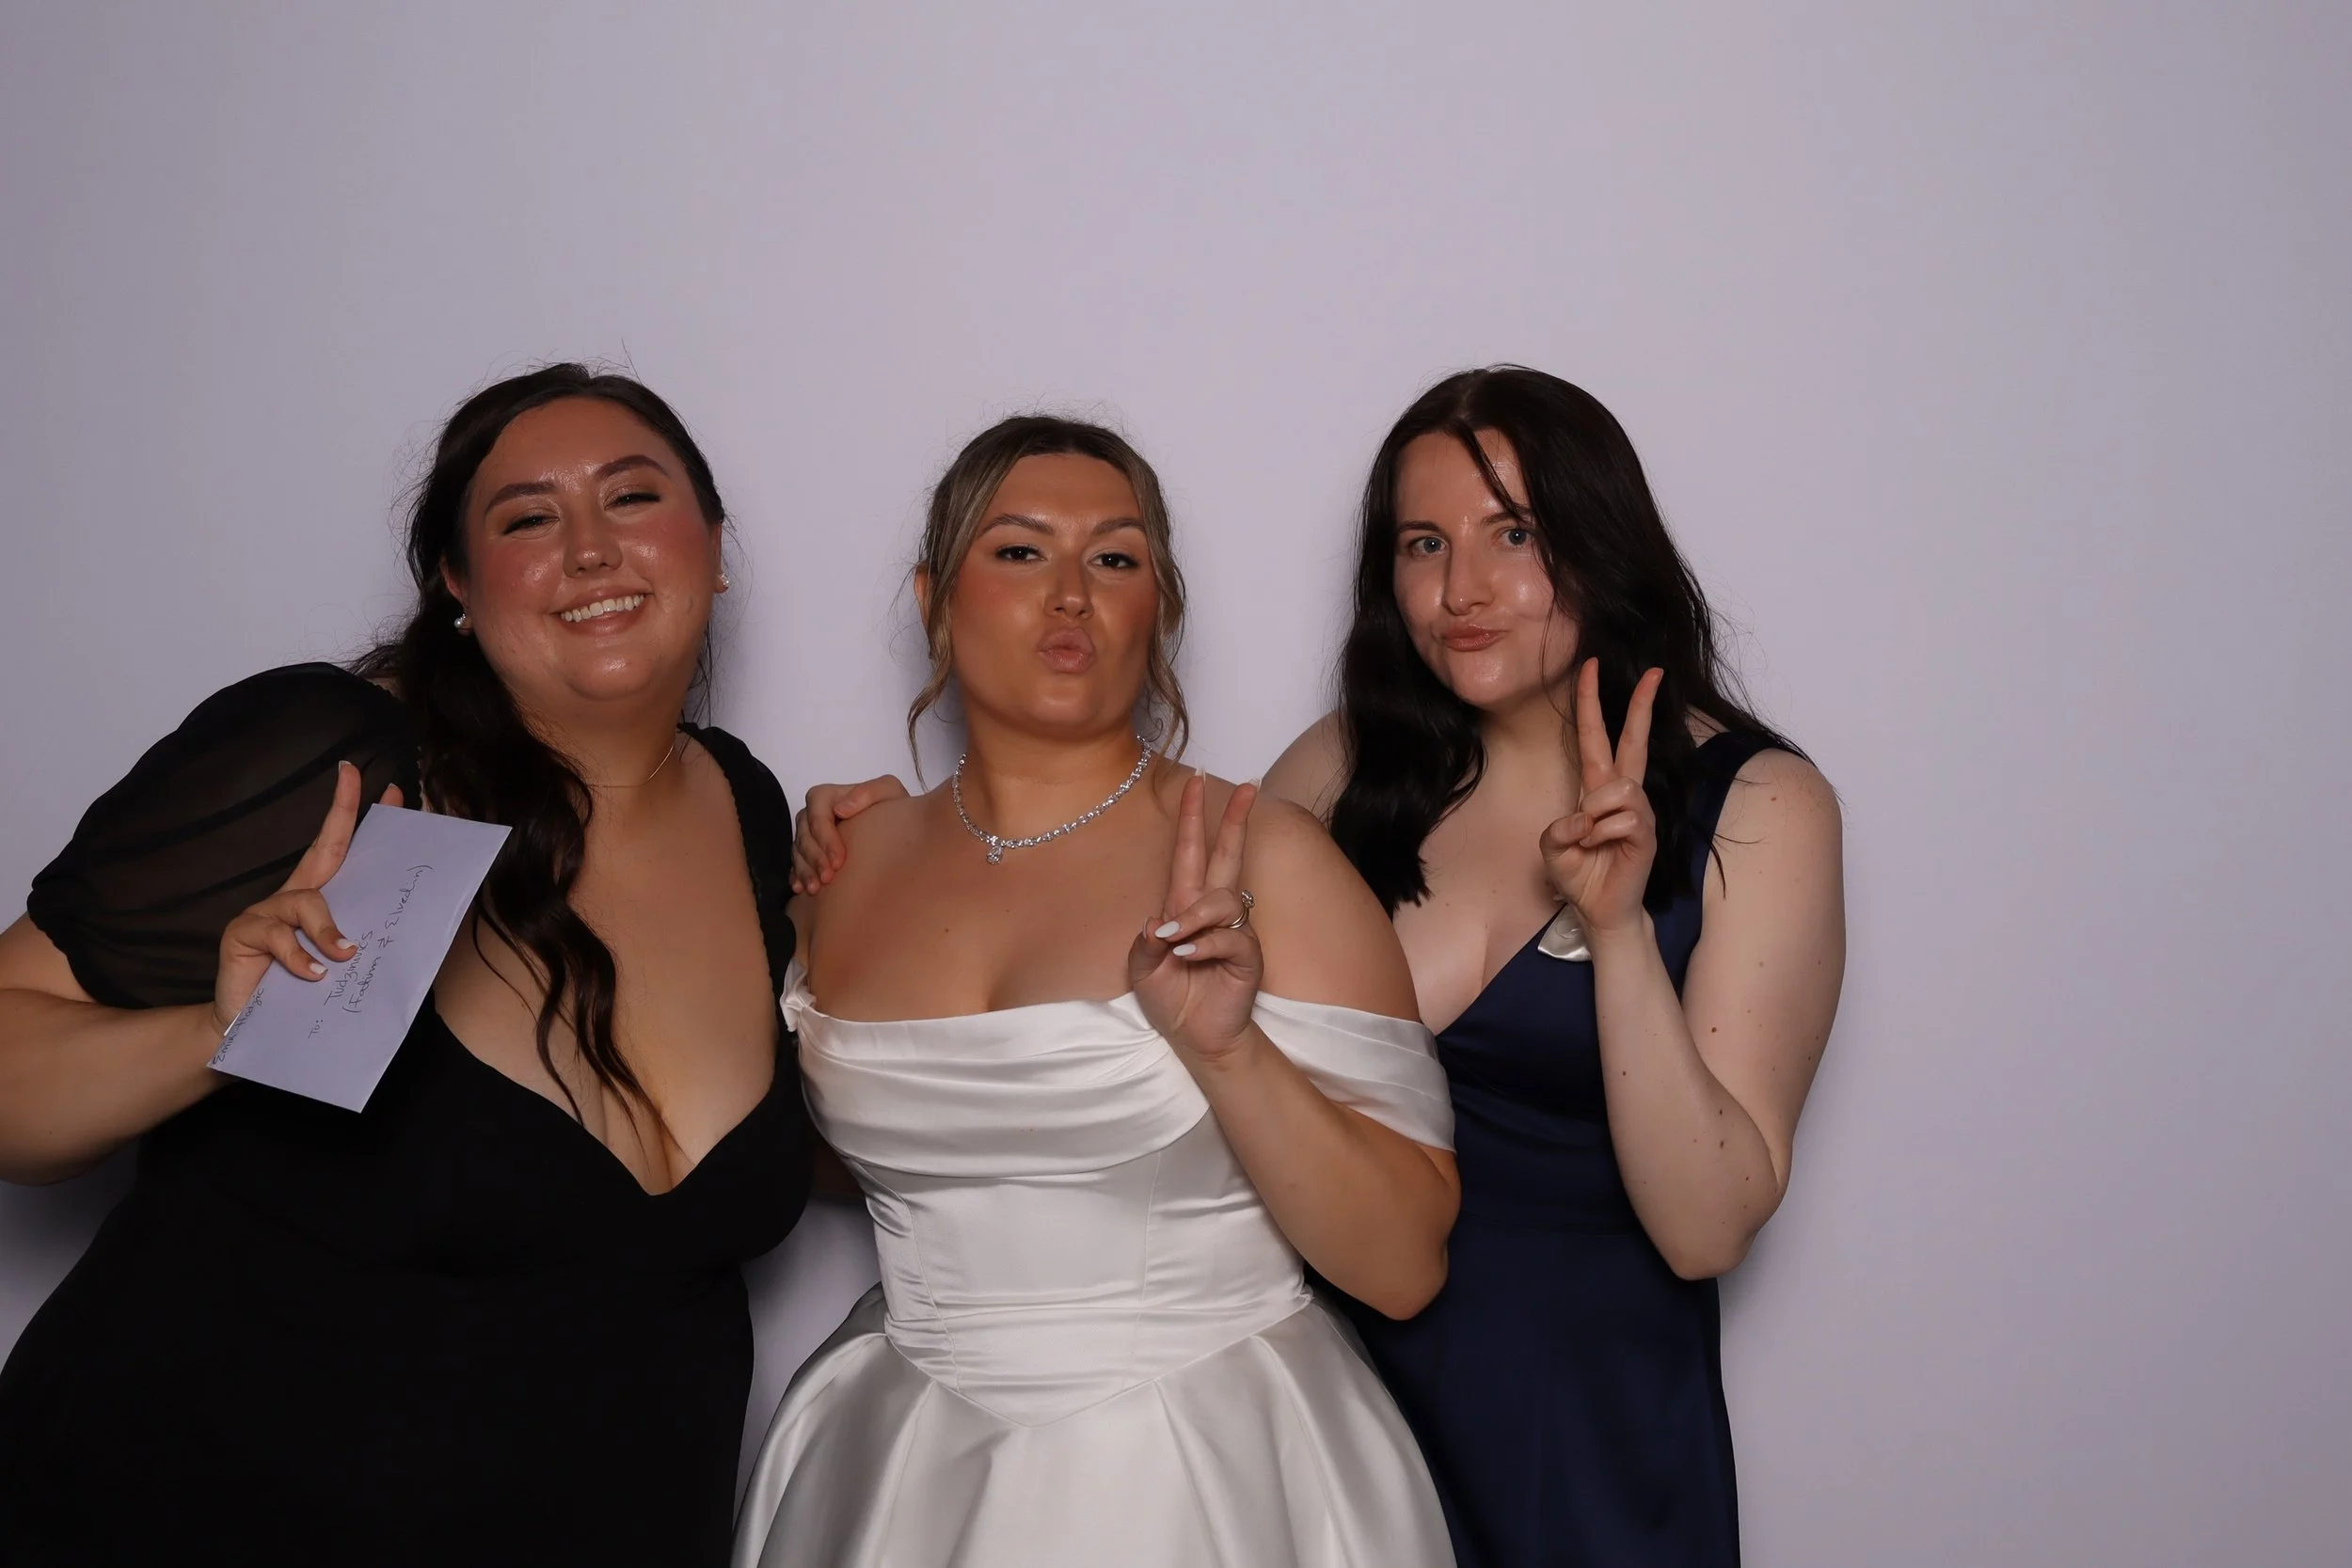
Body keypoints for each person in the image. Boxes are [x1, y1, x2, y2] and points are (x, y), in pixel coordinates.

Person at [793, 367, 1846, 1567]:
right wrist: (880, 873)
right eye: (1422, 542)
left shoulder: (1759, 804)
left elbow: (1705, 1228)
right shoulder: (1340, 771)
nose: (1461, 589)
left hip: (1570, 1417)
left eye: (1515, 534)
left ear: (1602, 543)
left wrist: (1614, 934)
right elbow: (1113, 901)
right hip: (1302, 1390)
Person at [0, 365, 814, 1566]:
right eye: (528, 518)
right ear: (457, 585)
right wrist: (221, 1038)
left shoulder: (748, 806)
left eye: (632, 498)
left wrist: (912, 868)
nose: (590, 549)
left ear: (714, 546)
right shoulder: (339, 761)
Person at [732, 415, 1459, 1568]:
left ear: (1155, 606)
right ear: (936, 594)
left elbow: (1406, 1265)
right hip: (895, 1470)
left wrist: (1228, 1054)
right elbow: (815, 1147)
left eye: (1115, 558)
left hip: (1206, 1474)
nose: (1070, 594)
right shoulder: (836, 868)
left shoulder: (1262, 855)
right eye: (1020, 551)